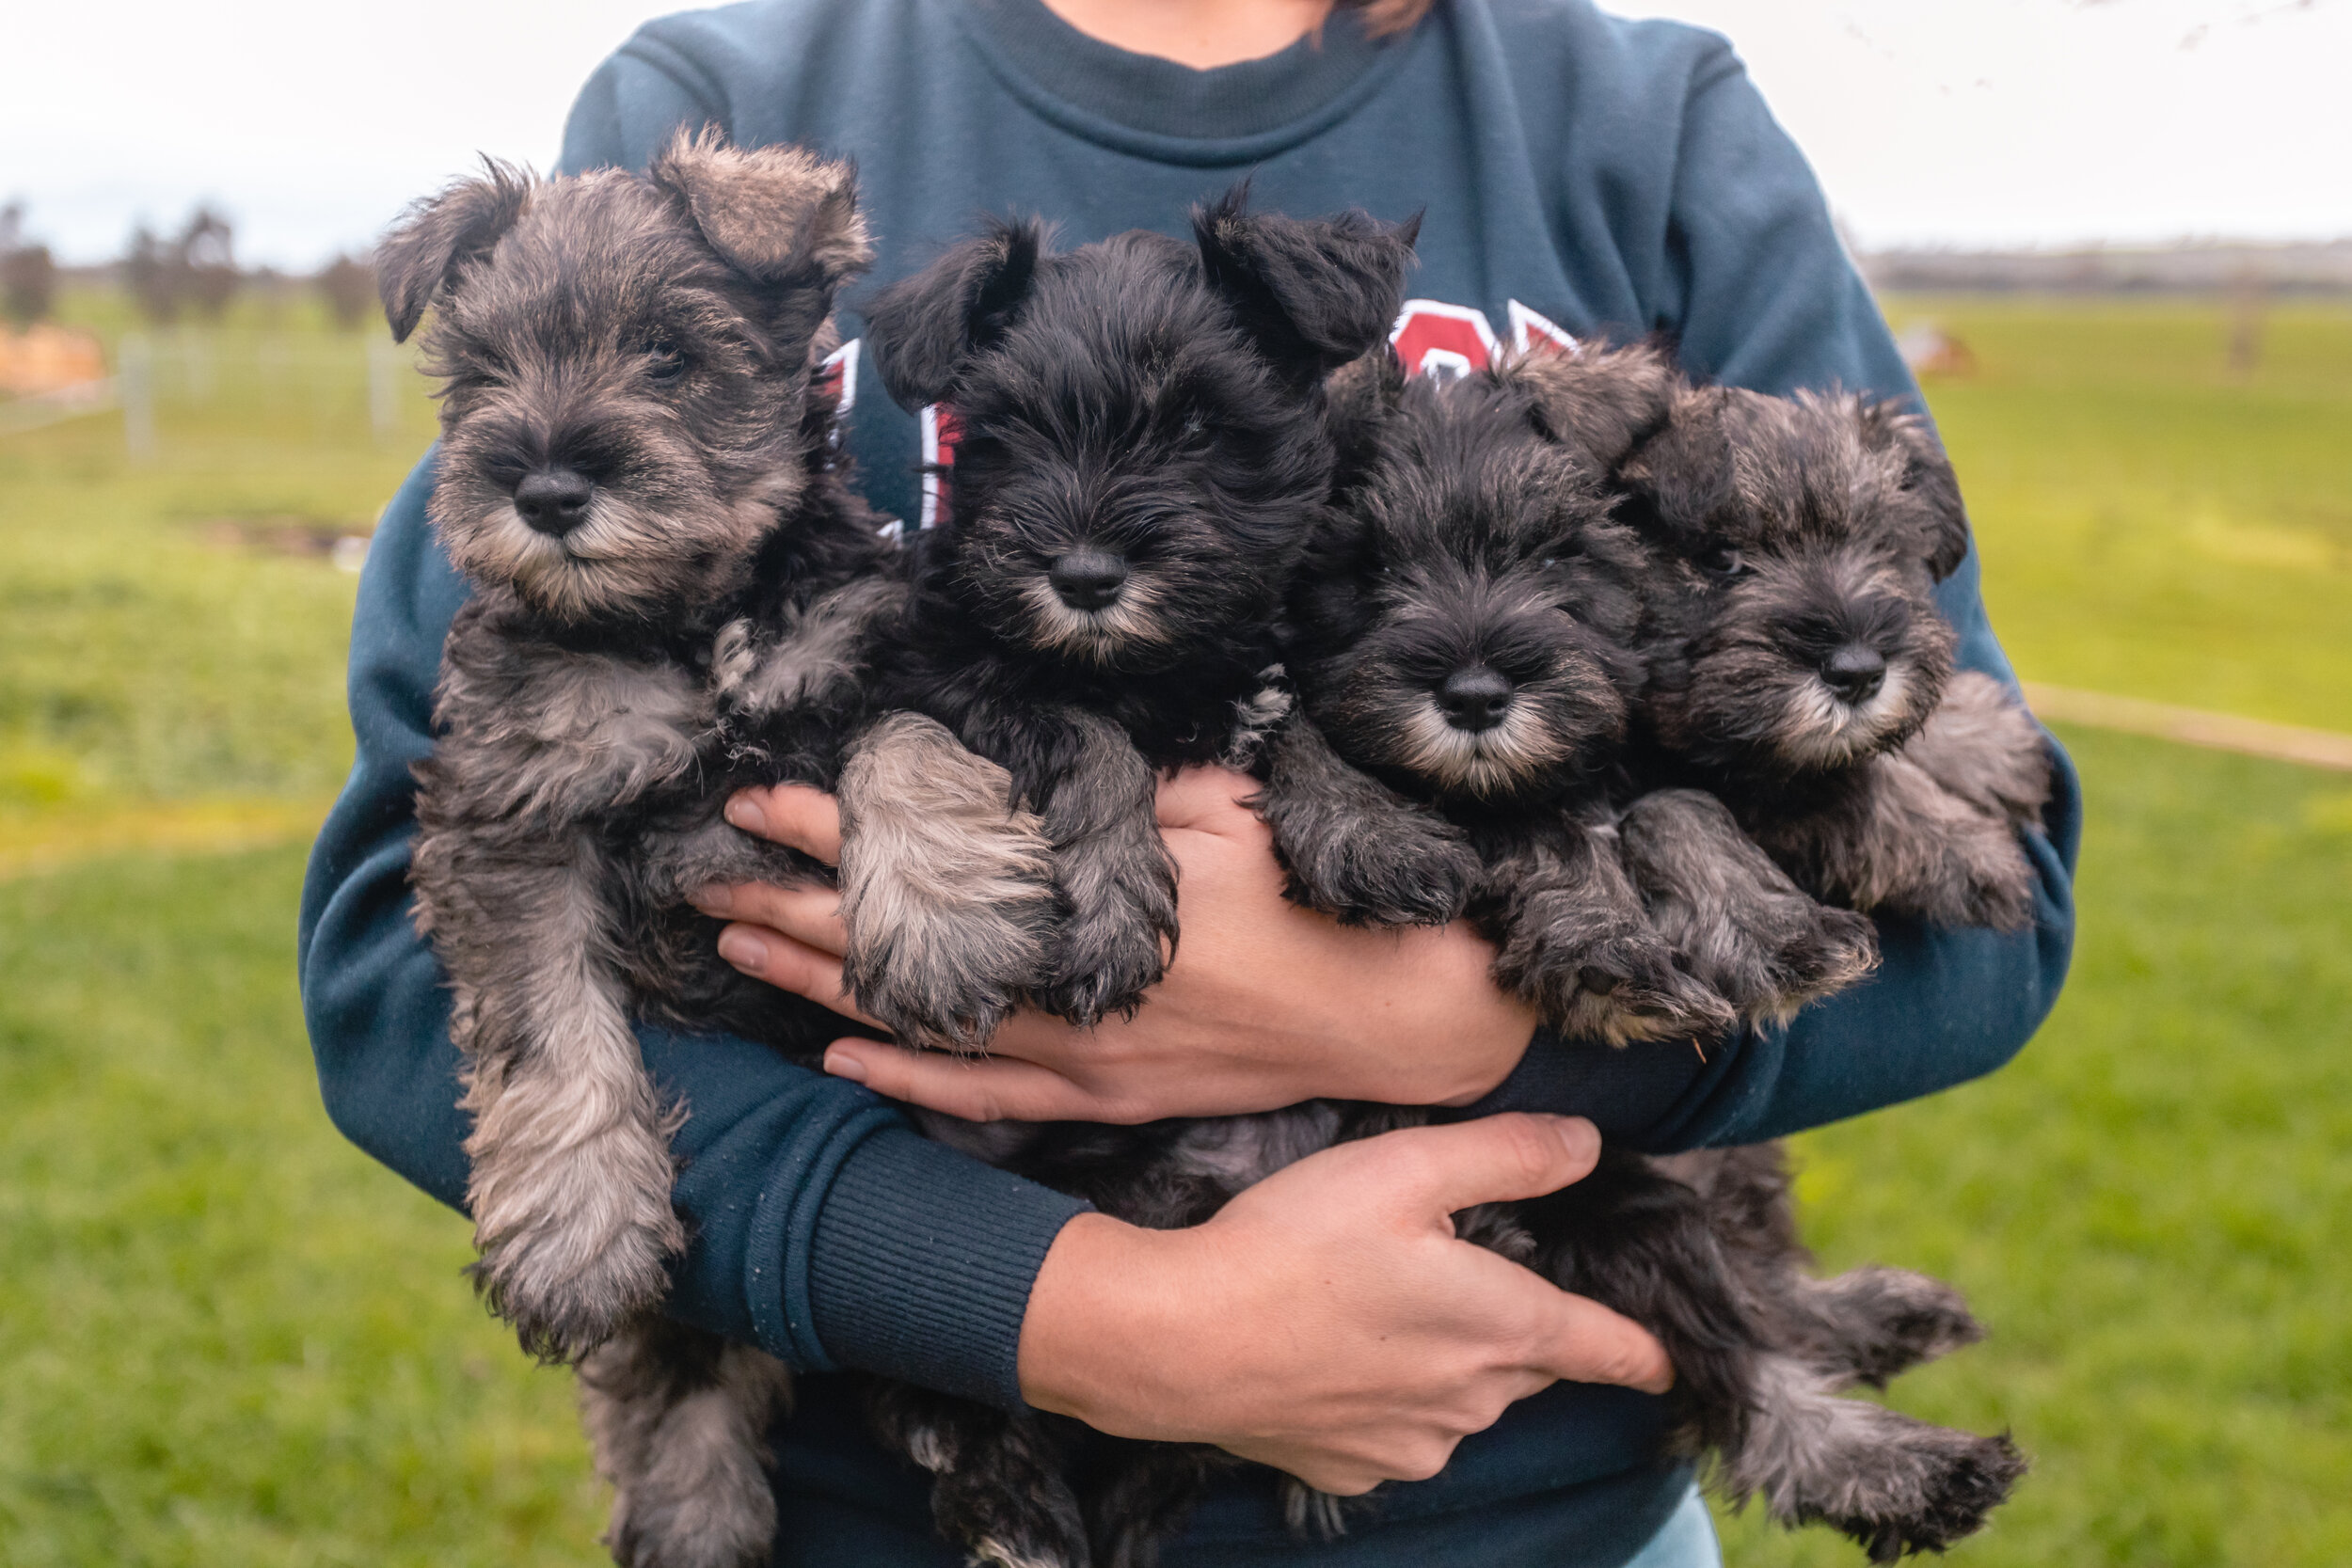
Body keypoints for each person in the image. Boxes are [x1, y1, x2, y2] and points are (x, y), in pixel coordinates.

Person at [297, 1, 2081, 1562]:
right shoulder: (715, 91)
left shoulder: (1645, 124)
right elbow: (402, 940)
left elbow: (1996, 899)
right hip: (893, 1491)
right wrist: (1070, 1315)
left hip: (1545, 1513)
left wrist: (1472, 1031)